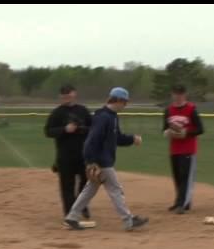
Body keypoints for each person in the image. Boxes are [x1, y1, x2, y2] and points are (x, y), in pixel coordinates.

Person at [63, 87, 149, 231]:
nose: (125, 105)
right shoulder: (104, 117)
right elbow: (91, 141)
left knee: (89, 190)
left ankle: (72, 217)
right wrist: (91, 161)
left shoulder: (112, 116)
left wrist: (132, 139)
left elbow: (118, 138)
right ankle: (128, 221)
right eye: (125, 102)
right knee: (116, 189)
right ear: (118, 100)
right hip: (102, 162)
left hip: (102, 160)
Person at [44, 84, 93, 219]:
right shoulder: (57, 113)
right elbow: (48, 131)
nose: (66, 97)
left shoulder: (83, 110)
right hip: (65, 156)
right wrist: (64, 130)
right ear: (61, 97)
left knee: (86, 184)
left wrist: (82, 129)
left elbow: (93, 128)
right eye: (64, 95)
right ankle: (70, 214)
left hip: (83, 155)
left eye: (69, 94)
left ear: (74, 94)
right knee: (67, 186)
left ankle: (82, 206)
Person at [163, 84, 204, 214]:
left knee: (186, 176)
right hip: (174, 149)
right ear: (172, 95)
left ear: (184, 95)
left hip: (188, 149)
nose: (178, 96)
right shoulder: (168, 110)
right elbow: (164, 128)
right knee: (177, 177)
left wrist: (186, 132)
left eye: (180, 94)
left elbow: (200, 129)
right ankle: (179, 202)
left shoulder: (191, 109)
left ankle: (183, 203)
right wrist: (168, 132)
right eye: (176, 93)